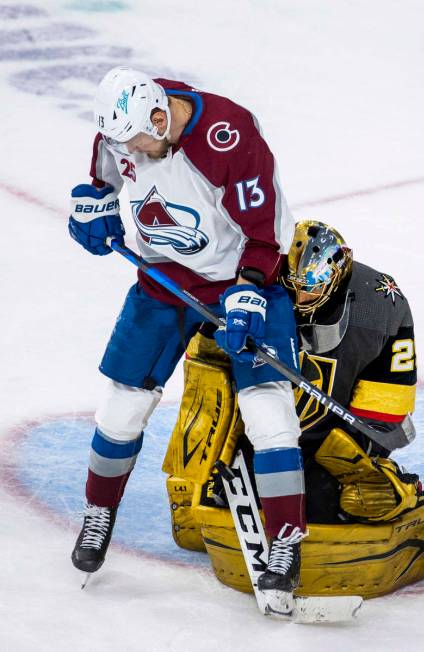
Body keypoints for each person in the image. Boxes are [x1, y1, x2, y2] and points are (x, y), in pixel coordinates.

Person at [68, 66, 306, 610]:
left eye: (140, 141)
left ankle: (287, 540)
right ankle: (98, 512)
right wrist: (94, 203)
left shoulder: (229, 135)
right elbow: (103, 172)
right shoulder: (123, 130)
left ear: (160, 114)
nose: (133, 152)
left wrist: (248, 290)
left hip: (244, 277)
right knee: (120, 408)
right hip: (163, 277)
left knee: (268, 410)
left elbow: (266, 236)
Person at [169, 220, 419, 529]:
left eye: (310, 290)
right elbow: (205, 379)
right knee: (221, 494)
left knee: (326, 508)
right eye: (294, 286)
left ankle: (393, 482)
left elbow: (385, 409)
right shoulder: (246, 286)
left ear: (337, 278)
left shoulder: (379, 306)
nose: (300, 299)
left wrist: (356, 461)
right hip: (259, 430)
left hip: (329, 442)